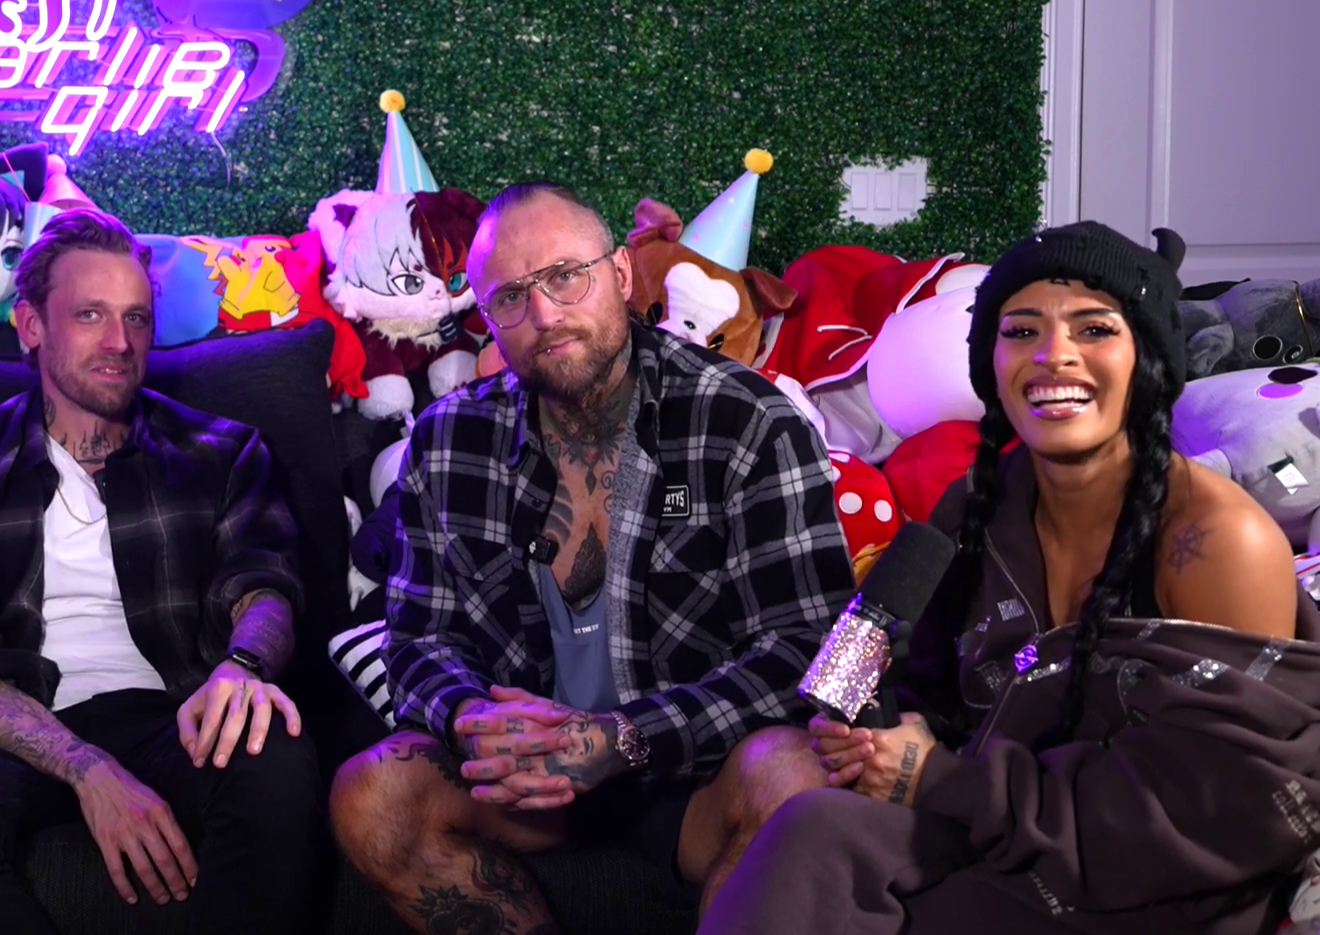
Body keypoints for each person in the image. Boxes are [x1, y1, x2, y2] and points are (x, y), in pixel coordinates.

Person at [698, 221, 1320, 934]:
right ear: (989, 363)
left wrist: (940, 779)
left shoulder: (1217, 541)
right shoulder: (976, 508)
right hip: (1000, 830)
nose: (1054, 355)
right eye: (1022, 331)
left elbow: (1211, 812)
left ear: (1148, 358)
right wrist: (883, 738)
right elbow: (934, 691)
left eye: (1094, 329)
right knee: (809, 828)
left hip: (1158, 884)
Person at [329, 181, 859, 931]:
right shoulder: (448, 440)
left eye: (565, 276)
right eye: (511, 297)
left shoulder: (747, 420)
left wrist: (624, 737)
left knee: (797, 774)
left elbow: (813, 649)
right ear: (487, 319)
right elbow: (420, 636)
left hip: (697, 774)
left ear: (620, 273)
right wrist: (471, 717)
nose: (545, 315)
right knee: (372, 793)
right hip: (526, 782)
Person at [0, 210, 324, 934]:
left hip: (177, 713)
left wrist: (243, 667)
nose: (119, 342)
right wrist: (86, 769)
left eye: (136, 317)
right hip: (15, 730)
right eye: (90, 315)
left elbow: (265, 586)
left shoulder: (222, 452)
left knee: (275, 758)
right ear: (30, 325)